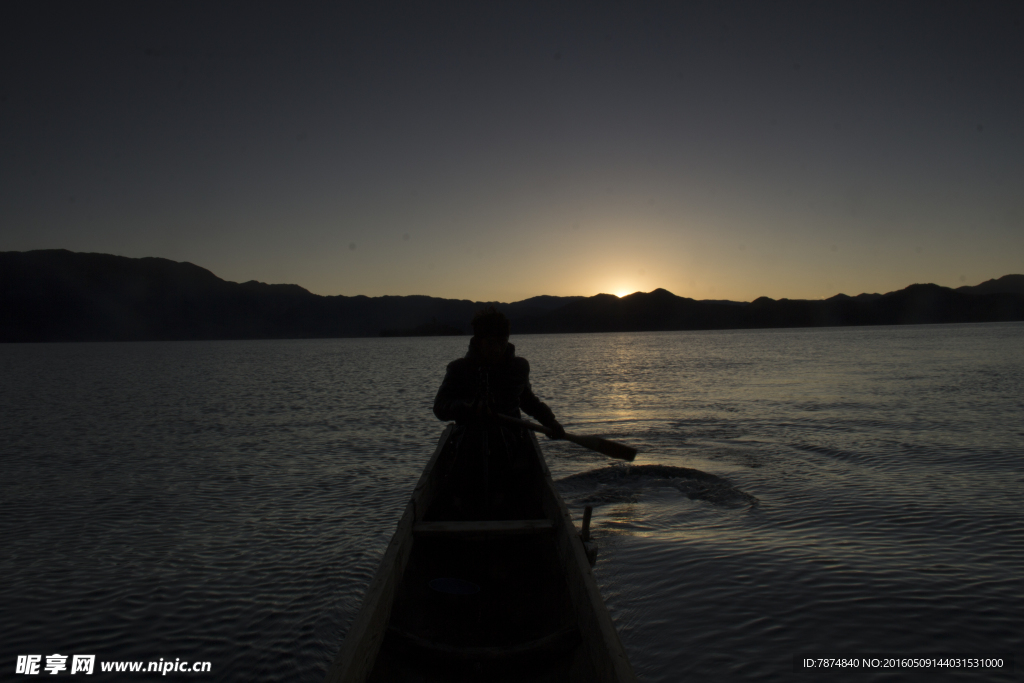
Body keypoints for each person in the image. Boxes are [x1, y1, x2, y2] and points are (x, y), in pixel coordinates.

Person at [433, 306, 565, 516]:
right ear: (478, 341)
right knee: (475, 439)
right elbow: (440, 407)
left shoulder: (518, 367)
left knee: (500, 441)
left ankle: (501, 501)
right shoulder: (459, 369)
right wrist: (466, 408)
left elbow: (528, 401)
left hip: (510, 441)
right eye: (491, 343)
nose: (497, 349)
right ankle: (470, 502)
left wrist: (551, 422)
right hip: (467, 444)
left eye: (502, 342)